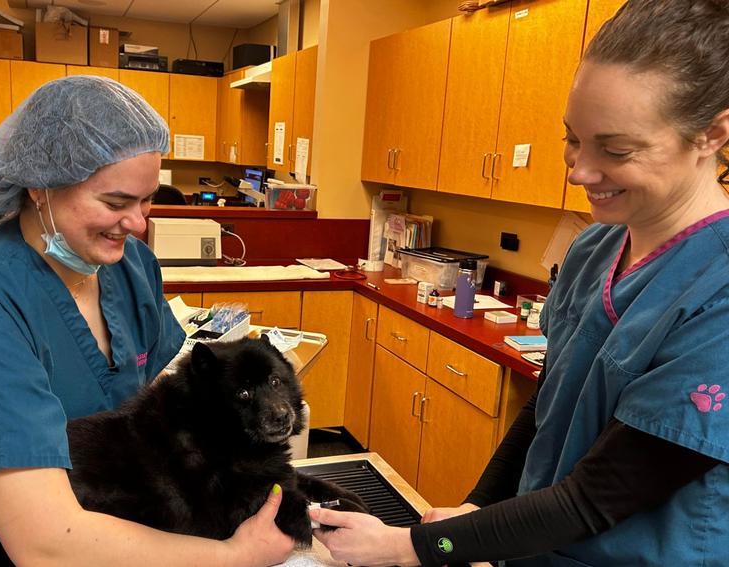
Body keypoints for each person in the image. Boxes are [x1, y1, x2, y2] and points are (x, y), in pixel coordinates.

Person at [310, 0, 729, 564]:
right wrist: (477, 506)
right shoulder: (594, 248)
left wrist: (417, 547)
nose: (579, 169)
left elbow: (596, 500)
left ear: (712, 135)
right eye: (573, 138)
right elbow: (546, 405)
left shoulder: (717, 291)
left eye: (616, 149)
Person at [0, 76, 294, 566]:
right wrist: (235, 555)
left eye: (146, 201)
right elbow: (43, 544)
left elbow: (156, 414)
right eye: (116, 203)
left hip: (126, 527)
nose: (138, 223)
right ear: (40, 188)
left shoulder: (130, 267)